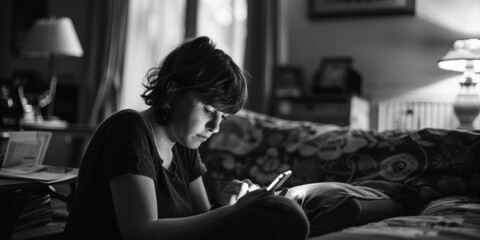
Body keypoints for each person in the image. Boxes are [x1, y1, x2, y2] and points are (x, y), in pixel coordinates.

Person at [65, 36, 309, 240]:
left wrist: (223, 205)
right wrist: (236, 212)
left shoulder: (184, 144)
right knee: (285, 214)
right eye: (209, 110)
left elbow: (203, 223)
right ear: (173, 92)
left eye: (222, 117)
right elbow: (140, 232)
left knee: (313, 201)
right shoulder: (129, 129)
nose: (215, 127)